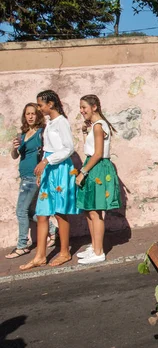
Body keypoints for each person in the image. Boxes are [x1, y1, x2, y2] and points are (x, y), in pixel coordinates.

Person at [20, 90, 80, 270]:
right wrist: (42, 169)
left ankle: (64, 251)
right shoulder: (50, 122)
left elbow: (68, 148)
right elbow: (48, 148)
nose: (39, 108)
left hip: (60, 169)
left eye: (40, 105)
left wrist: (47, 161)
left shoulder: (61, 122)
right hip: (48, 170)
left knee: (60, 211)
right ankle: (40, 255)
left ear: (50, 104)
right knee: (43, 211)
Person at [74, 95, 122, 264]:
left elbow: (98, 153)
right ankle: (95, 246)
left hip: (97, 167)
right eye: (80, 107)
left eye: (84, 107)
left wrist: (83, 172)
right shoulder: (95, 126)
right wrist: (85, 132)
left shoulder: (99, 126)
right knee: (89, 209)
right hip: (93, 165)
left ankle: (98, 251)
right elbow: (91, 149)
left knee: (95, 211)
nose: (81, 110)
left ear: (94, 107)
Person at [6, 104, 57, 259]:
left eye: (33, 114)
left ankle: (22, 245)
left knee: (20, 211)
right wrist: (14, 148)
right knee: (28, 211)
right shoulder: (23, 134)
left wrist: (42, 173)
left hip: (33, 177)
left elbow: (48, 152)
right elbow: (16, 156)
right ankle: (53, 230)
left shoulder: (42, 133)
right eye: (27, 114)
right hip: (24, 177)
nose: (30, 117)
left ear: (38, 115)